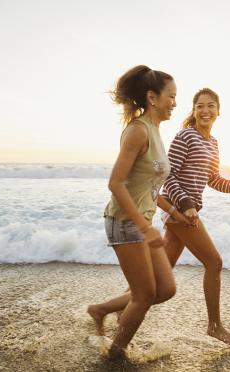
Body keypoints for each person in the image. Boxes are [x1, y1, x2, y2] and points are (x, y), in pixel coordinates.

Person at [86, 65, 189, 358]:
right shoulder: (137, 131)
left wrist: (173, 212)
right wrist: (145, 228)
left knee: (165, 289)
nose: (175, 102)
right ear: (152, 97)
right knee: (144, 295)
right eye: (171, 96)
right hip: (124, 222)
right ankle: (116, 354)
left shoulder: (156, 131)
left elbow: (148, 187)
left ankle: (101, 309)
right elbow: (115, 184)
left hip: (143, 222)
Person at [162, 88, 230, 345]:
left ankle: (110, 308)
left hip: (186, 211)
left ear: (218, 111)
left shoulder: (212, 142)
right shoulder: (185, 136)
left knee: (159, 276)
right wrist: (185, 203)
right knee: (214, 263)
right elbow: (167, 176)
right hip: (179, 211)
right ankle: (214, 326)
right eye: (200, 106)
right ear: (193, 111)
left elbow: (214, 179)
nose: (205, 111)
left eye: (211, 106)